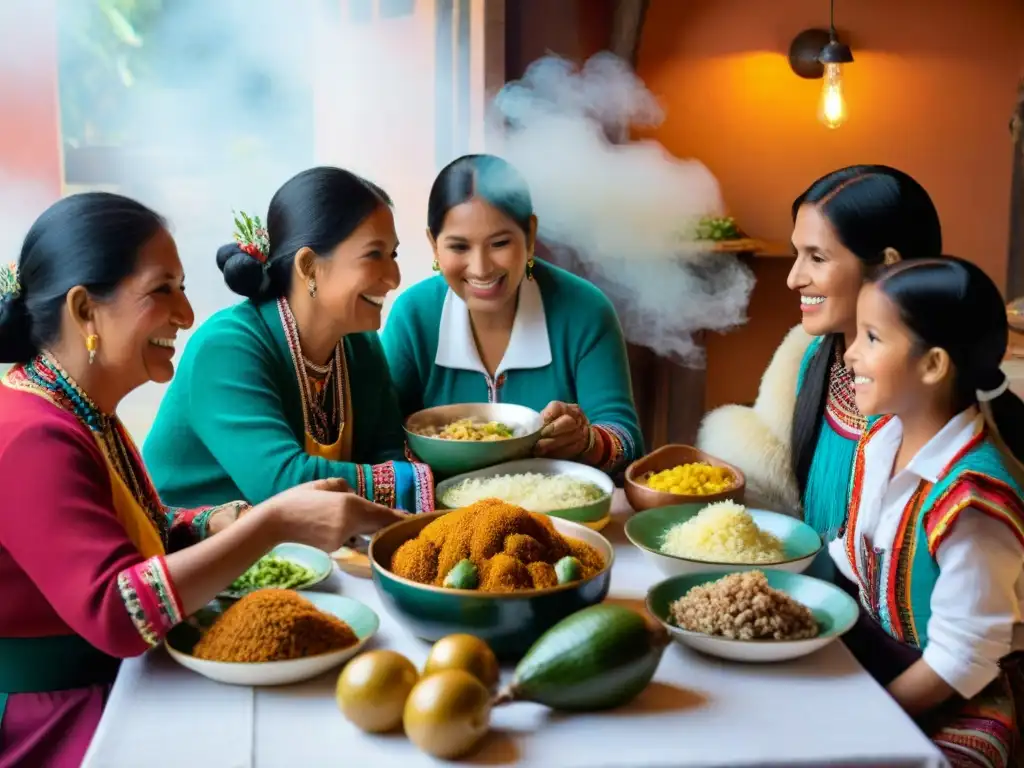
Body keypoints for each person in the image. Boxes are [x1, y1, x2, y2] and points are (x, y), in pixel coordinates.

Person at [0, 192, 404, 768]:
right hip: (53, 716)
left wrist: (214, 520)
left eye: (183, 288)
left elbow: (143, 526)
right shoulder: (31, 435)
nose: (186, 314)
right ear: (85, 309)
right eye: (161, 290)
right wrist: (271, 522)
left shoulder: (81, 409)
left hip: (117, 677)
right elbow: (120, 612)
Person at [143, 167, 434, 512]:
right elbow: (282, 483)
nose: (394, 277)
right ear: (309, 266)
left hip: (302, 547)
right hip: (190, 549)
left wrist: (410, 482)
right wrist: (422, 483)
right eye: (374, 254)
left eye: (394, 255)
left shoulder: (359, 344)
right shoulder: (227, 348)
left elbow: (386, 451)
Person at [836, 257, 1023, 765]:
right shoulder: (882, 438)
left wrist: (867, 720)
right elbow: (856, 564)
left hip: (950, 709)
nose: (851, 354)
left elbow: (961, 657)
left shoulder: (972, 500)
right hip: (879, 669)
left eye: (872, 338)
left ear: (934, 364)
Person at [697, 165, 943, 540]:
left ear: (887, 266)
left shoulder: (939, 390)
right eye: (797, 254)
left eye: (817, 257)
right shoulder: (807, 358)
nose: (794, 278)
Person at [381, 154, 643, 475]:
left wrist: (587, 440)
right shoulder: (413, 315)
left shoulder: (585, 310)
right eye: (459, 247)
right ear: (434, 245)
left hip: (557, 513)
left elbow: (627, 441)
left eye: (500, 243)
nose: (481, 268)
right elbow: (381, 437)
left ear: (530, 236)